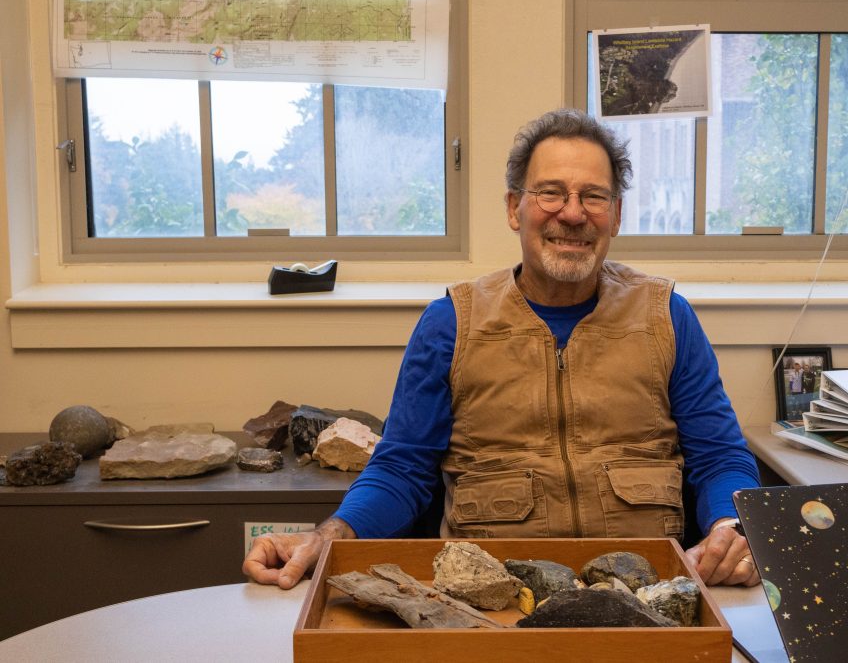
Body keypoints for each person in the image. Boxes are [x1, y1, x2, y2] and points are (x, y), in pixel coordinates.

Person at [243, 109, 761, 590]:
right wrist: (327, 538)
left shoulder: (667, 317)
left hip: (647, 596)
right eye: (551, 193)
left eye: (594, 196)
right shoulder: (451, 324)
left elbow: (720, 458)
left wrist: (730, 530)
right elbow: (401, 470)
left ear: (617, 214)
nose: (573, 214)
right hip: (493, 600)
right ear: (516, 208)